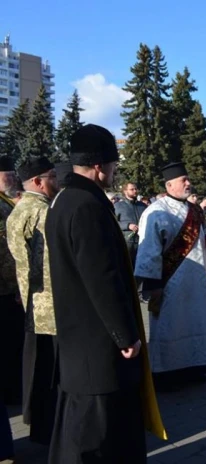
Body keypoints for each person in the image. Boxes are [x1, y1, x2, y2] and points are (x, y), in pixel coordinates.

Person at [45, 124, 165, 462]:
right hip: (97, 343)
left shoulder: (64, 200)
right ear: (99, 166)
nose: (115, 171)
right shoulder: (86, 206)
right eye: (113, 165)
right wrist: (124, 334)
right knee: (95, 434)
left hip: (78, 337)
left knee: (79, 424)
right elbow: (102, 278)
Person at [134, 162, 206, 387]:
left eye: (188, 179)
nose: (188, 183)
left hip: (195, 280)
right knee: (170, 325)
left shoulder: (195, 210)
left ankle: (196, 366)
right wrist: (153, 285)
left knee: (195, 321)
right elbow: (149, 251)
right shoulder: (156, 212)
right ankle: (167, 374)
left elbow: (197, 240)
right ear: (169, 184)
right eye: (183, 180)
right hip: (170, 282)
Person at [6, 156, 59, 446]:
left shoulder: (17, 211)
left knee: (37, 371)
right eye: (52, 176)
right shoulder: (42, 212)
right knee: (50, 374)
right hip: (50, 308)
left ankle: (38, 427)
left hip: (32, 306)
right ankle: (49, 429)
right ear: (38, 181)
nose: (57, 180)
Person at [0, 156, 23, 406]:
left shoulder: (7, 202)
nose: (13, 177)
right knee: (7, 344)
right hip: (5, 289)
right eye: (8, 173)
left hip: (12, 287)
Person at [114, 182, 147, 266]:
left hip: (142, 242)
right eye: (132, 189)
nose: (135, 191)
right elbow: (113, 222)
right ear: (125, 191)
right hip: (127, 243)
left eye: (136, 189)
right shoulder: (118, 206)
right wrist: (128, 225)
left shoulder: (143, 206)